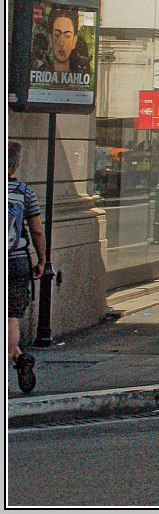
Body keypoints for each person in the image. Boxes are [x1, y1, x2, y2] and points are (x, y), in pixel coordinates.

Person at [9, 143, 46, 393]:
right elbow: (36, 229)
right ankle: (19, 358)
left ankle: (18, 358)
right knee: (10, 317)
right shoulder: (24, 191)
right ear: (16, 164)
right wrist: (42, 260)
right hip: (16, 260)